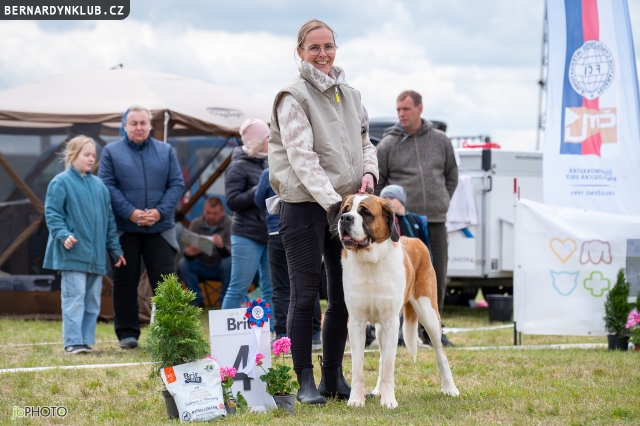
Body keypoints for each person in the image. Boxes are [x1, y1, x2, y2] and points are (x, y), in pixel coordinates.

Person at [269, 19, 378, 405]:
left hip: (343, 208)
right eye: (313, 47)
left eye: (328, 46)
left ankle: (333, 376)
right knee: (304, 296)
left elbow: (367, 142)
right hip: (304, 207)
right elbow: (302, 157)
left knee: (344, 294)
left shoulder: (351, 95)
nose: (322, 54)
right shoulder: (292, 96)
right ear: (300, 51)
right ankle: (305, 382)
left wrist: (368, 173)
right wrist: (335, 203)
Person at [375, 90, 458, 345]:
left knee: (436, 276)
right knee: (399, 277)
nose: (401, 114)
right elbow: (378, 183)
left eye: (406, 109)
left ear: (419, 109)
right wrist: (389, 211)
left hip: (434, 219)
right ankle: (399, 331)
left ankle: (433, 332)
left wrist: (441, 200)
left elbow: (452, 175)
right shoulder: (387, 144)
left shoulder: (441, 140)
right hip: (403, 223)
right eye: (398, 110)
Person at [98, 105, 185, 350]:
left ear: (149, 125)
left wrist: (159, 212)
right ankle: (127, 334)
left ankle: (170, 334)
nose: (139, 127)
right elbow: (107, 185)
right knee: (125, 282)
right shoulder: (111, 152)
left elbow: (177, 184)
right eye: (133, 123)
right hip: (124, 229)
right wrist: (131, 213)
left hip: (161, 228)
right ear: (124, 126)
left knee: (166, 283)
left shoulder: (165, 150)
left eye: (143, 123)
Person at [43, 136, 126, 355]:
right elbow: (52, 214)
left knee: (92, 301)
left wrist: (115, 249)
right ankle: (73, 342)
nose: (91, 159)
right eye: (86, 155)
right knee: (74, 298)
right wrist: (63, 235)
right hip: (72, 254)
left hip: (96, 258)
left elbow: (109, 223)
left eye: (93, 155)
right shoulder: (60, 182)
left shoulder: (100, 186)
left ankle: (85, 341)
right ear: (73, 155)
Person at [254, 168, 323, 348]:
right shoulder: (308, 168)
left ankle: (283, 334)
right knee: (309, 283)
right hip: (305, 230)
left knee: (280, 287)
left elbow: (259, 201)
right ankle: (314, 334)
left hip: (276, 231)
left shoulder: (269, 172)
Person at [380, 184, 453, 347]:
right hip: (394, 270)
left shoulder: (416, 220)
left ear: (401, 200)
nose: (388, 201)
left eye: (392, 198)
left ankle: (429, 333)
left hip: (415, 266)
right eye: (384, 198)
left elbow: (423, 245)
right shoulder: (386, 221)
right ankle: (395, 333)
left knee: (422, 303)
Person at [221, 118, 273, 322]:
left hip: (269, 233)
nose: (270, 140)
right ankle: (225, 332)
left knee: (271, 289)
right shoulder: (237, 166)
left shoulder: (268, 162)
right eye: (267, 137)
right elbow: (232, 202)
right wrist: (259, 189)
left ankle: (271, 332)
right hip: (246, 235)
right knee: (238, 288)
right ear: (257, 141)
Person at [178, 197, 232, 308]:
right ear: (204, 210)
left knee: (230, 263)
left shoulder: (230, 224)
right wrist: (189, 253)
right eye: (208, 213)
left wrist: (222, 247)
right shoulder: (195, 223)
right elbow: (186, 248)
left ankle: (224, 302)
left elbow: (235, 252)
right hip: (201, 264)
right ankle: (196, 301)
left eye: (215, 213)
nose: (211, 216)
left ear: (223, 212)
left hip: (221, 266)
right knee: (183, 264)